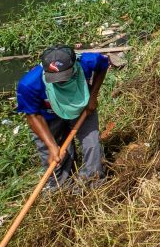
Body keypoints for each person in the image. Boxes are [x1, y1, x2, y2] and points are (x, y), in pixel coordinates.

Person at [16, 45, 110, 190]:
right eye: (55, 79)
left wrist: (93, 95)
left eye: (63, 77)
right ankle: (62, 189)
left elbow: (103, 64)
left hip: (81, 106)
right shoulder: (29, 84)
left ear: (74, 66)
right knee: (56, 159)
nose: (60, 82)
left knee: (92, 144)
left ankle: (94, 182)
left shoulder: (87, 61)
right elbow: (33, 116)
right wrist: (52, 145)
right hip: (49, 117)